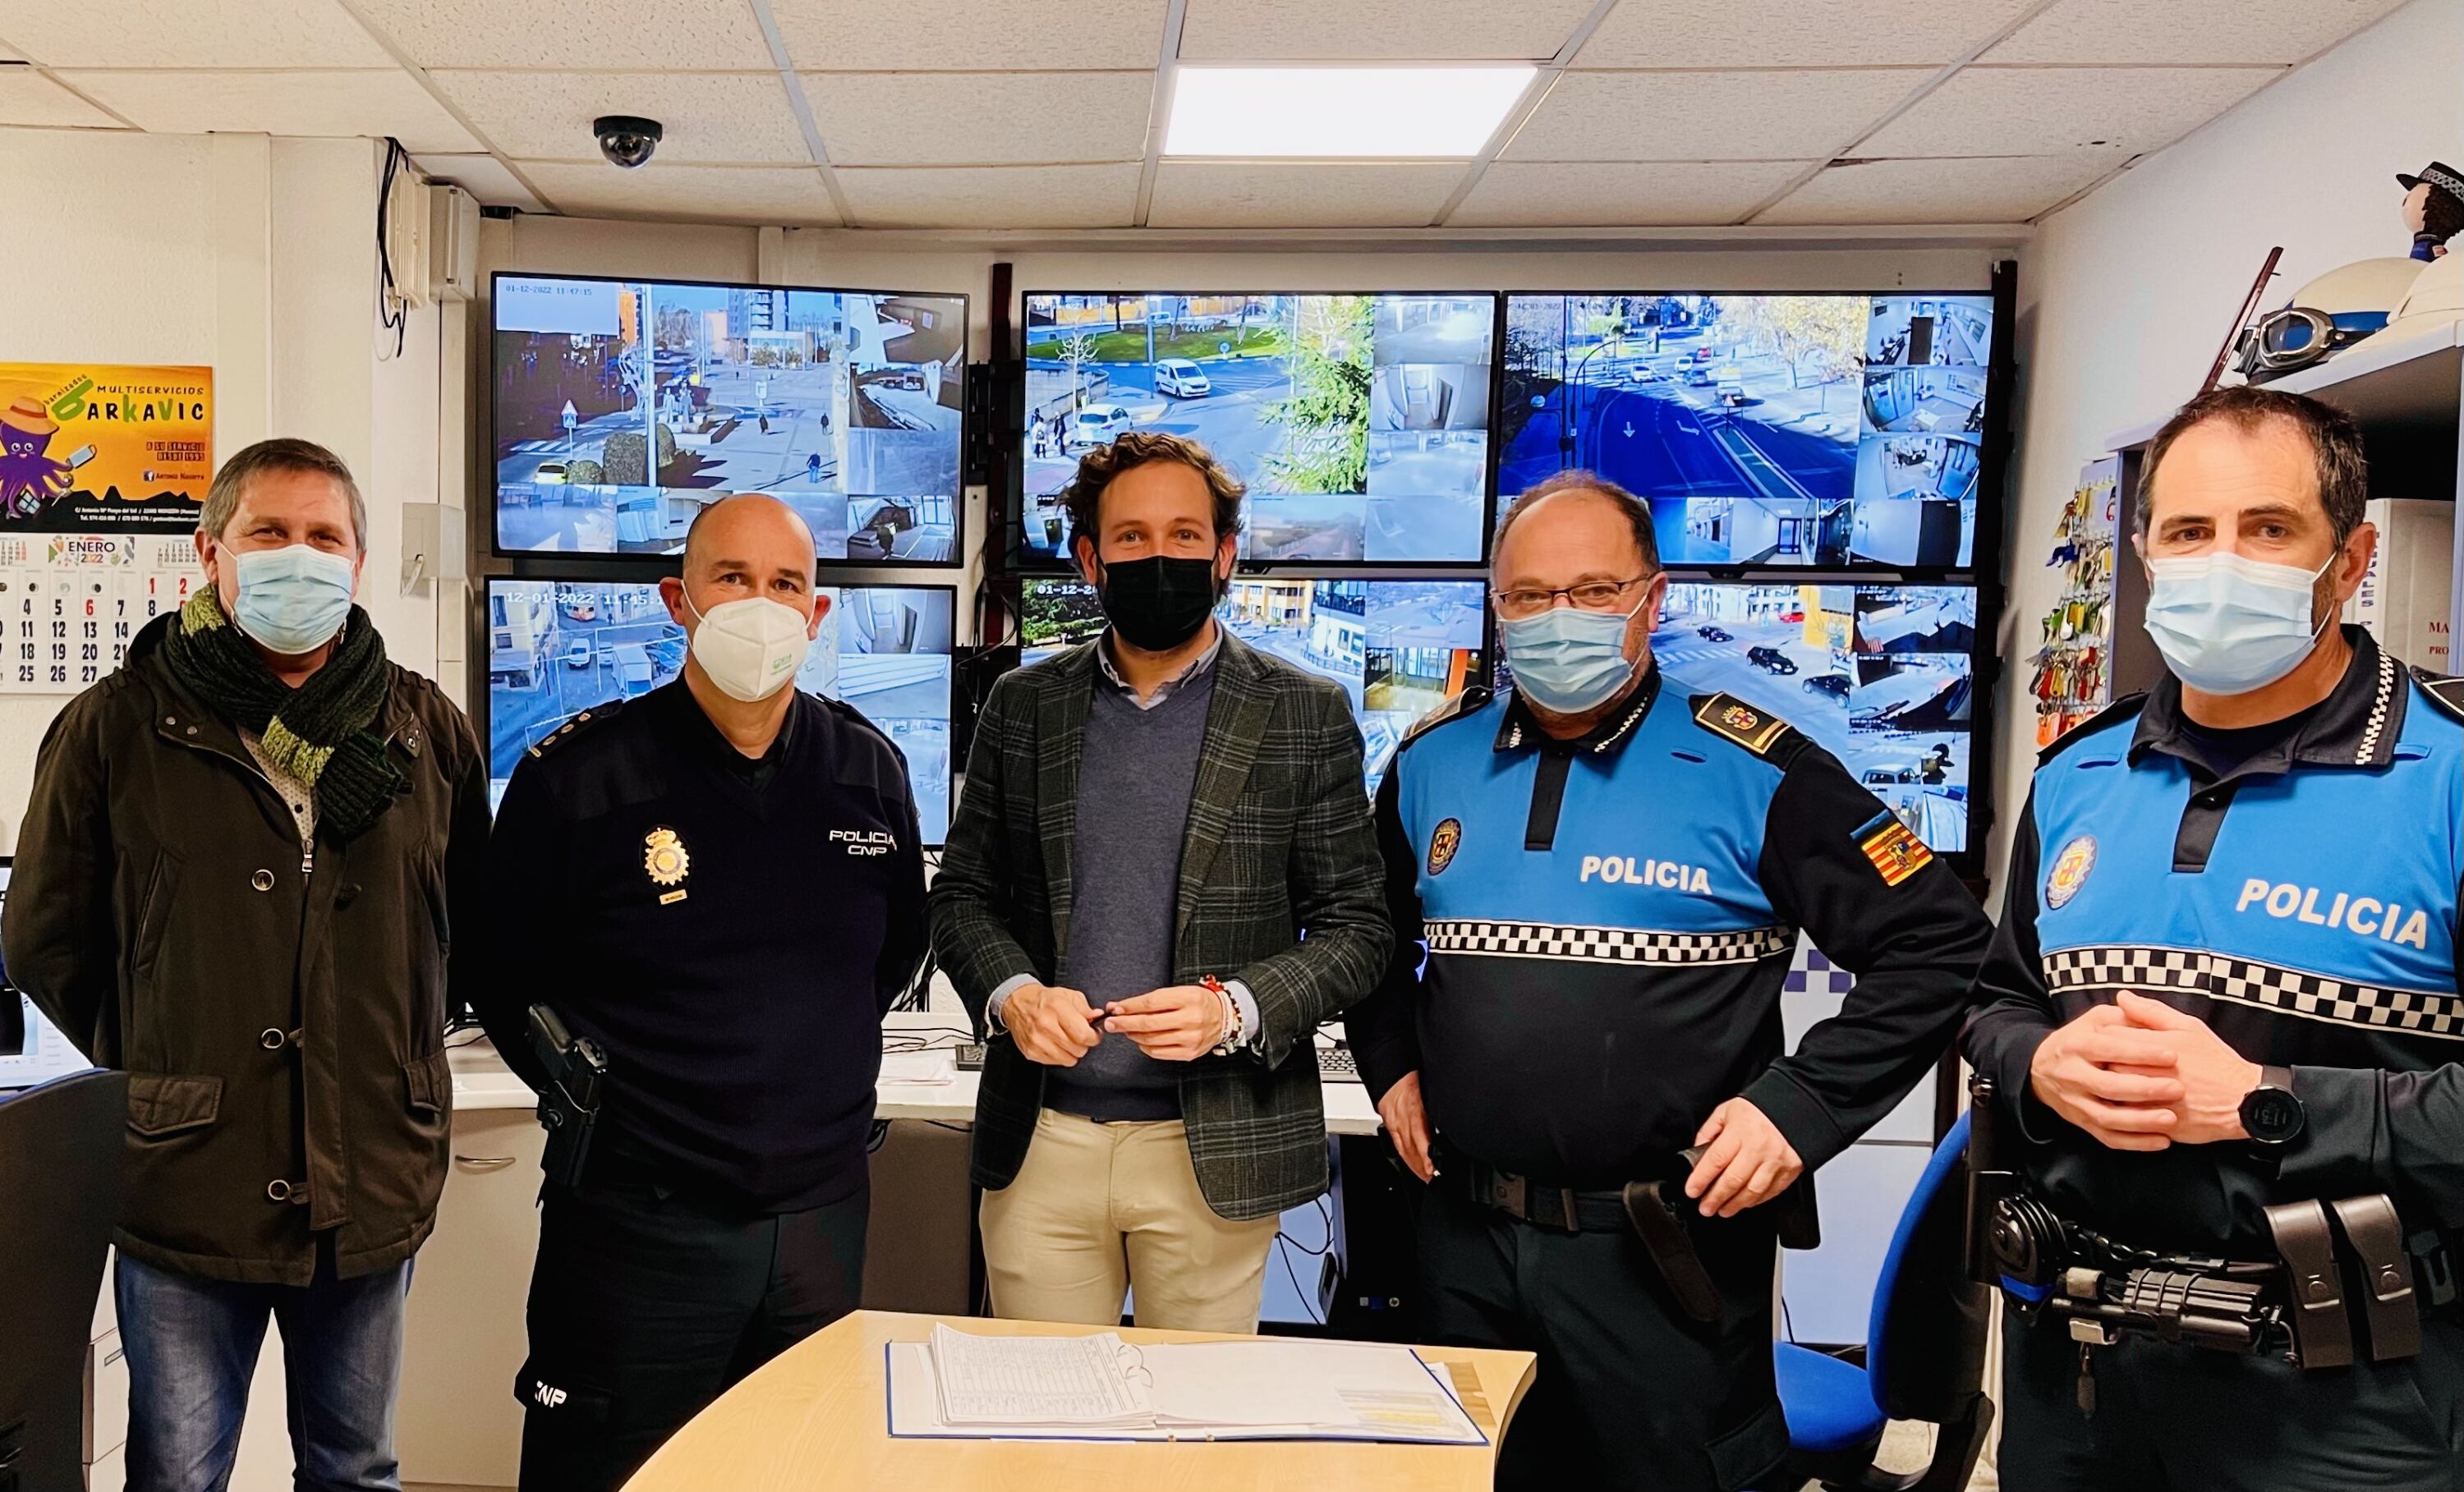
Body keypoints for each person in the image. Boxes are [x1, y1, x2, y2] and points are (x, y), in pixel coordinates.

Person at [1349, 471, 1993, 1491]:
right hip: (1461, 1241)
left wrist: (1802, 1104)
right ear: (1498, 606)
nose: (1559, 617)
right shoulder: (1432, 761)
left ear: (1652, 599)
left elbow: (1943, 945)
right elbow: (1369, 936)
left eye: (1594, 590)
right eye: (1529, 595)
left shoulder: (1757, 767)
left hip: (1658, 1250)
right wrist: (1389, 1063)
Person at [1965, 385, 2464, 1491]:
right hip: (2076, 1371)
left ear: (2350, 558)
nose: (2221, 560)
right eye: (2190, 531)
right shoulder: (2079, 772)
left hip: (2346, 1394)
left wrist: (2263, 1102)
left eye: (2269, 528)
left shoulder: (2449, 776)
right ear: (2145, 552)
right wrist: (2039, 1062)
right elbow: (1998, 1002)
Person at [2, 437, 490, 1492]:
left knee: (355, 1468)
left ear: (358, 561)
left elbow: (467, 933)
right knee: (178, 1473)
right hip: (186, 1175)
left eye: (324, 535)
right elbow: (45, 937)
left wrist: (386, 1050)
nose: (298, 555)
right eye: (269, 531)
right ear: (210, 551)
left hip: (369, 1168)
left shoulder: (425, 732)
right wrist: (161, 1054)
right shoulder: (117, 726)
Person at [476, 494, 926, 1492]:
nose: (761, 604)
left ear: (816, 613)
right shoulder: (579, 777)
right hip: (637, 1224)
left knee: (797, 1470)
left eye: (785, 584)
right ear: (678, 599)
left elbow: (892, 953)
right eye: (733, 578)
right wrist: (616, 1106)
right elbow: (504, 976)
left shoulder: (867, 771)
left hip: (817, 1221)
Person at [929, 430, 1391, 1334]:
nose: (1160, 556)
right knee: (1043, 1411)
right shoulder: (1023, 704)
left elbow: (1358, 928)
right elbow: (961, 896)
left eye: (1185, 534)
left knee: (1199, 1414)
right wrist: (1014, 995)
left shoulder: (1305, 712)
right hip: (1042, 1139)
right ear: (1090, 561)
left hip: (1214, 1141)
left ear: (1225, 555)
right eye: (1132, 537)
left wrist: (1236, 1008)